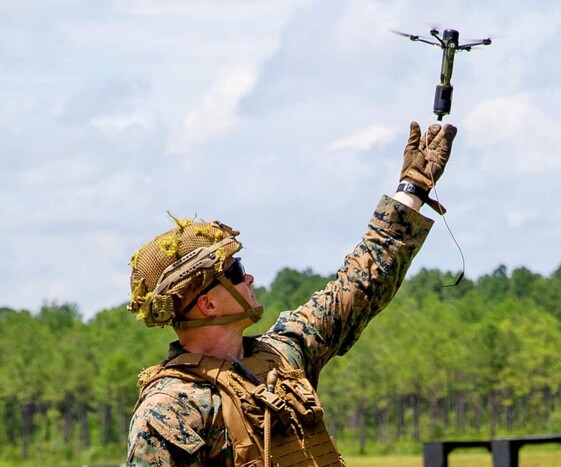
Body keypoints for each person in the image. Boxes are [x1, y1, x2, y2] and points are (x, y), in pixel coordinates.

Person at [125, 120, 457, 466]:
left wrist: (412, 189)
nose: (249, 277)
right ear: (206, 304)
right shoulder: (171, 409)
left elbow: (359, 284)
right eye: (235, 272)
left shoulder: (281, 357)